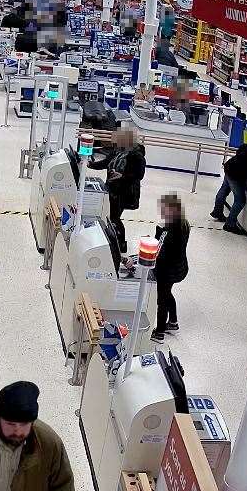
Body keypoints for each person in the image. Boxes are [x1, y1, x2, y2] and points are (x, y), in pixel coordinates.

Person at [88, 126, 146, 252]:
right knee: (111, 215)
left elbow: (139, 174)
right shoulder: (118, 151)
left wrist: (122, 175)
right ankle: (114, 241)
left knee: (114, 217)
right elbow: (105, 163)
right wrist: (90, 164)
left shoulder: (136, 154)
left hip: (124, 192)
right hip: (112, 188)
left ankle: (121, 245)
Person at [150, 193, 190, 344]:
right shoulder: (184, 224)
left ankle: (159, 332)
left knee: (162, 299)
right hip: (180, 267)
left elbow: (159, 250)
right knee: (168, 293)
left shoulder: (168, 230)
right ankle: (173, 322)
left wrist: (158, 232)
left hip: (167, 271)